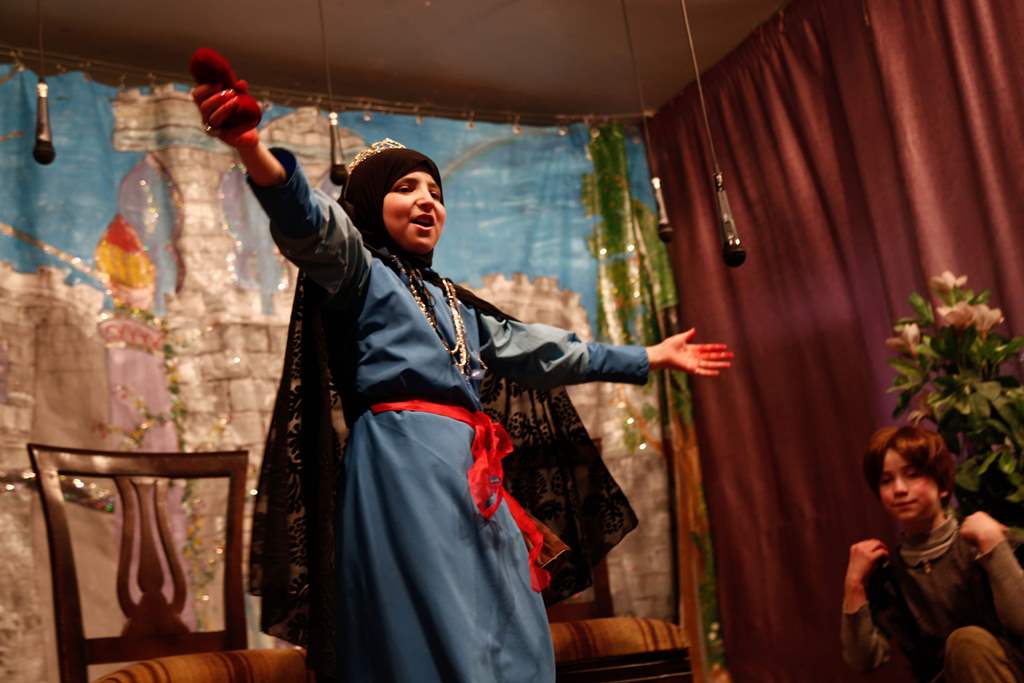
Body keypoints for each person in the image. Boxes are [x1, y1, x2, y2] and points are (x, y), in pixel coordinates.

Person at [193, 82, 733, 683]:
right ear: (370, 203)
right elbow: (309, 223)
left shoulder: (457, 305)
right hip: (403, 464)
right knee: (435, 622)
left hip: (473, 471)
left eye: (436, 192)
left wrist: (649, 356)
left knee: (514, 613)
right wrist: (250, 149)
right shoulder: (360, 273)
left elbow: (547, 352)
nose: (427, 201)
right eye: (405, 188)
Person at [842, 425, 1024, 682]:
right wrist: (854, 584)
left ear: (942, 486)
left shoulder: (981, 540)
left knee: (966, 643)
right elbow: (863, 660)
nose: (899, 489)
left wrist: (995, 547)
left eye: (913, 474)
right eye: (886, 480)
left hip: (1009, 670)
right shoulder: (890, 575)